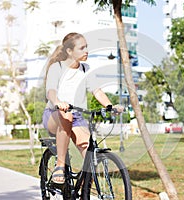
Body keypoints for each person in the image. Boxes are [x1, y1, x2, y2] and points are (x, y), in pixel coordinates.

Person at [42, 32, 122, 184]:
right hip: (54, 115)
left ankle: (83, 190)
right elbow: (50, 90)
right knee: (66, 116)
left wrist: (110, 106)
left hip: (77, 117)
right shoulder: (57, 67)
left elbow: (97, 91)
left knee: (89, 158)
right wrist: (58, 101)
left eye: (87, 47)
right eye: (82, 48)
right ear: (69, 51)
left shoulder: (86, 69)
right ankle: (60, 165)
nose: (86, 51)